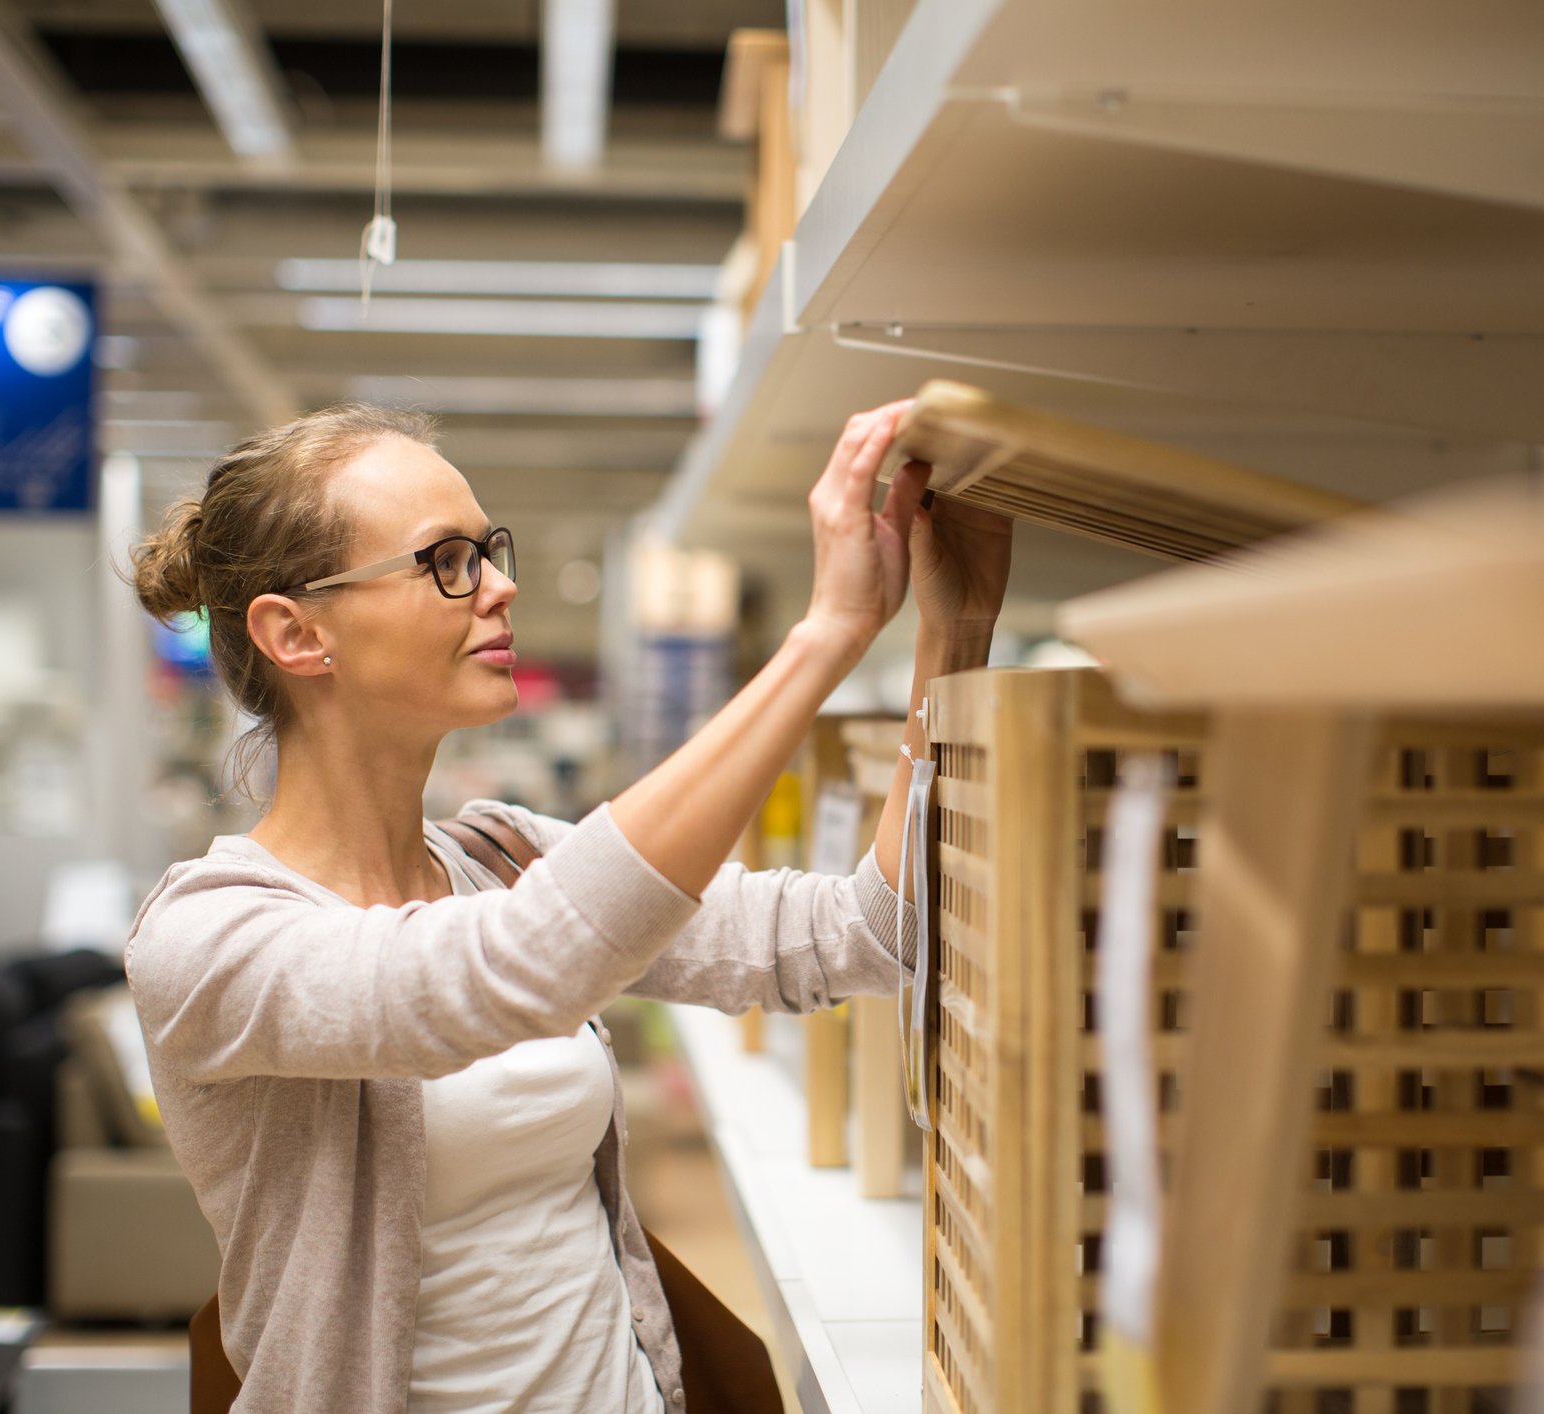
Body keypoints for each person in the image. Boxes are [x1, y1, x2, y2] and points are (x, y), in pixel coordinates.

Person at [123, 401, 1013, 1413]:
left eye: (489, 550)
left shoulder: (501, 856)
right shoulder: (206, 941)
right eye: (446, 560)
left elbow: (869, 932)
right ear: (298, 631)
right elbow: (504, 975)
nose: (500, 586)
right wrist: (825, 638)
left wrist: (955, 629)